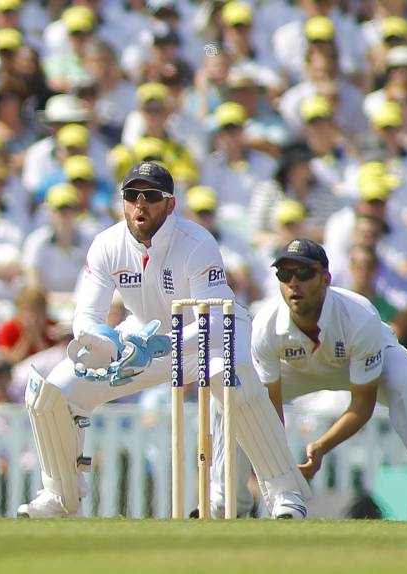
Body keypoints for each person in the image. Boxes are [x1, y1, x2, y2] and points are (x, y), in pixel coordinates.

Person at [17, 161, 311, 519]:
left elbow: (215, 317)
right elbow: (86, 316)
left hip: (212, 335)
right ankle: (60, 497)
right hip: (142, 337)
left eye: (151, 196)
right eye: (132, 195)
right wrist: (103, 342)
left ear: (170, 204)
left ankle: (285, 495)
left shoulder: (196, 242)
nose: (140, 204)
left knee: (231, 381)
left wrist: (162, 345)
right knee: (53, 392)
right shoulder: (107, 244)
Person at [234, 238, 407, 520]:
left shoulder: (359, 316)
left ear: (326, 279)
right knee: (236, 393)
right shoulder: (266, 324)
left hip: (370, 356)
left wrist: (321, 447)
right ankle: (230, 503)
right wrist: (284, 467)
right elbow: (269, 414)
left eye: (304, 273)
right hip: (297, 366)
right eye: (285, 274)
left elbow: (362, 405)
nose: (294, 282)